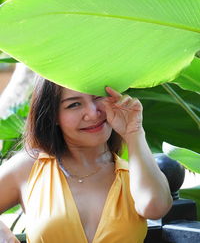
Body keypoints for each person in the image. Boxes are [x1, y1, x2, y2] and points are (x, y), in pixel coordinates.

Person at [0, 77, 172, 243]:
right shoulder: (29, 168)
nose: (92, 113)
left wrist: (134, 133)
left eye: (98, 98)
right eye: (74, 104)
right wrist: (6, 238)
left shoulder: (133, 175)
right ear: (53, 116)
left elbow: (154, 207)